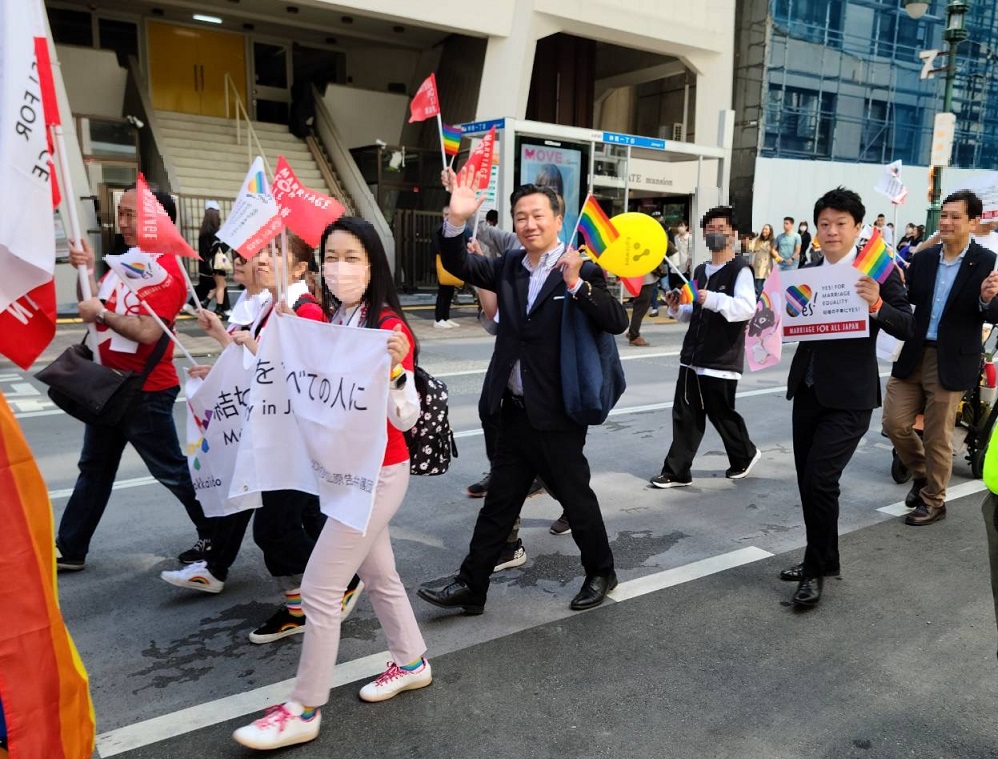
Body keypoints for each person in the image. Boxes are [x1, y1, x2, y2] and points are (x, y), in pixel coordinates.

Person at [232, 217, 429, 749]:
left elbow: (406, 417)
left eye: (352, 258)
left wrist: (395, 371)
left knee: (320, 587)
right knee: (381, 575)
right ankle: (411, 661)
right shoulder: (336, 317)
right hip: (341, 473)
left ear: (373, 265)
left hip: (379, 474)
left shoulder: (388, 326)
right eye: (332, 258)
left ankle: (304, 706)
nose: (339, 269)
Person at [417, 170, 628, 614]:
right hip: (512, 409)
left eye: (537, 215)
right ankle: (472, 585)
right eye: (520, 217)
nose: (529, 224)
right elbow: (459, 265)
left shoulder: (580, 266)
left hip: (558, 412)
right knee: (500, 502)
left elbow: (616, 320)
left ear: (557, 219)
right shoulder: (510, 265)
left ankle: (600, 571)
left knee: (576, 497)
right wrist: (456, 221)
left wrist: (575, 283)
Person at [160, 240, 363, 642]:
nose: (262, 260)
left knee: (274, 529)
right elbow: (259, 370)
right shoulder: (271, 308)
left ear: (301, 267)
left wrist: (252, 349)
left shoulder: (305, 311)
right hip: (272, 435)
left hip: (294, 442)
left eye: (277, 254)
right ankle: (307, 602)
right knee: (297, 522)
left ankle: (337, 585)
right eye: (262, 254)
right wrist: (225, 358)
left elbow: (312, 380)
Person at [55, 188, 213, 571]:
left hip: (145, 391)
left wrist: (102, 315)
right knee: (94, 467)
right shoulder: (125, 261)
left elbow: (147, 332)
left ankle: (217, 536)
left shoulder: (167, 270)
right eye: (120, 214)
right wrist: (87, 271)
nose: (122, 223)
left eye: (132, 215)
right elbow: (92, 301)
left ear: (159, 219)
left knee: (171, 470)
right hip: (109, 385)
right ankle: (71, 548)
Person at [780, 187, 914, 608]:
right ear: (816, 229)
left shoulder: (877, 269)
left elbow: (908, 325)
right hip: (809, 389)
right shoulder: (808, 268)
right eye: (824, 224)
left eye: (840, 224)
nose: (831, 231)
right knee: (810, 483)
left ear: (858, 228)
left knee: (821, 479)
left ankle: (815, 570)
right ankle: (825, 557)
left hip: (851, 396)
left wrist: (876, 304)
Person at [883, 190, 998, 526]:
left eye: (955, 217)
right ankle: (921, 476)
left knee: (937, 435)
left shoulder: (987, 261)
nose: (946, 222)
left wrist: (986, 299)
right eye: (943, 215)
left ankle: (934, 501)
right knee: (894, 423)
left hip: (952, 359)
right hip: (914, 352)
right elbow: (906, 304)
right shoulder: (924, 259)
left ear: (973, 222)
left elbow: (994, 311)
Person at [650, 205, 760, 488]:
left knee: (721, 414)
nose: (715, 235)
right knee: (685, 414)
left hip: (721, 358)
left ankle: (744, 455)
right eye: (710, 230)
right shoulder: (699, 270)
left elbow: (746, 309)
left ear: (733, 234)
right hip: (692, 357)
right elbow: (693, 312)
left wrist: (712, 298)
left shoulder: (740, 270)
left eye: (721, 230)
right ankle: (677, 471)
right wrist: (677, 308)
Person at [432, 206, 465, 329]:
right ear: (442, 215)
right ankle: (438, 318)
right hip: (441, 263)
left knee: (449, 291)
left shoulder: (449, 229)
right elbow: (437, 248)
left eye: (449, 214)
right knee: (443, 292)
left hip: (449, 264)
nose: (447, 217)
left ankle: (445, 317)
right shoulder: (439, 228)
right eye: (445, 214)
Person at [190, 200, 220, 313]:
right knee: (219, 285)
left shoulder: (203, 231)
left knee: (204, 286)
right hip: (213, 264)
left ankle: (196, 304)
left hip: (203, 264)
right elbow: (216, 249)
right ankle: (220, 307)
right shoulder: (215, 232)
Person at [752, 223, 775, 296]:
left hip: (765, 266)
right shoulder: (758, 240)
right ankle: (756, 301)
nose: (764, 230)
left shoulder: (772, 241)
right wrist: (753, 237)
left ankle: (759, 302)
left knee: (759, 285)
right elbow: (751, 248)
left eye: (766, 229)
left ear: (770, 231)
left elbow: (774, 253)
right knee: (755, 285)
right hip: (757, 266)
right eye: (763, 229)